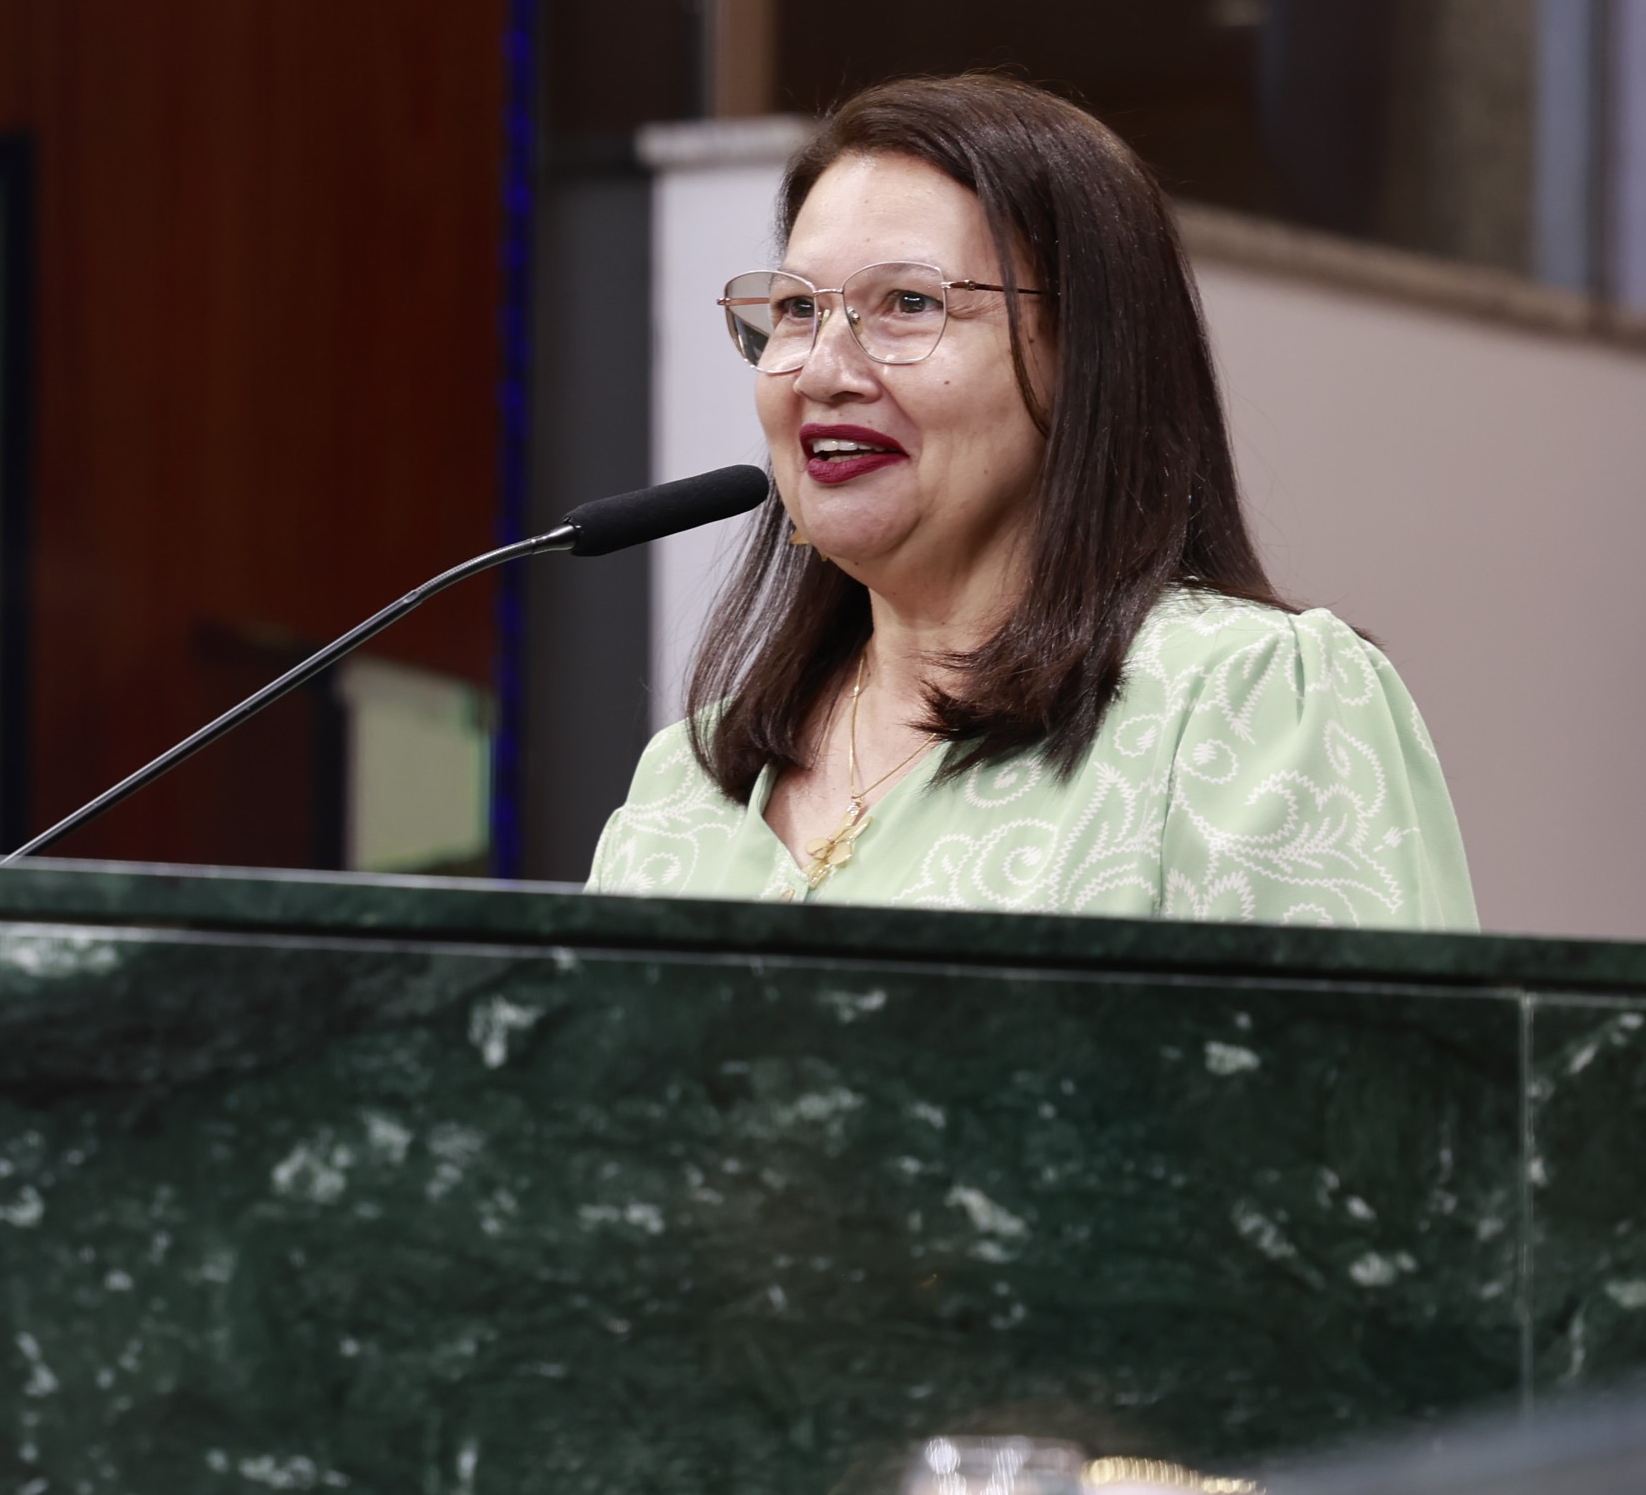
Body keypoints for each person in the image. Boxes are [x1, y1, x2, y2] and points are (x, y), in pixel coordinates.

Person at [587, 75, 1475, 926]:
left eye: (908, 302)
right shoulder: (686, 786)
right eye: (795, 310)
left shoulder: (1244, 700)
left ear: (1085, 354)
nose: (823, 370)